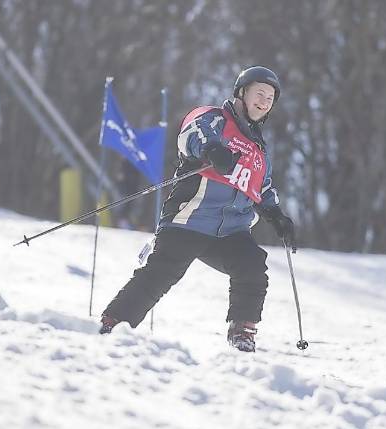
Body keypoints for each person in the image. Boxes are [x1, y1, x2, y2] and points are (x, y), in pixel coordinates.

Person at [99, 66, 295, 352]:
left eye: (270, 98)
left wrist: (276, 215)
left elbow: (262, 187)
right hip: (189, 219)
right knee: (163, 271)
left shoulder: (259, 150)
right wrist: (212, 150)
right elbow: (193, 131)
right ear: (242, 93)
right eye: (259, 93)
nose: (264, 102)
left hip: (231, 231)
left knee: (252, 265)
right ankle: (114, 322)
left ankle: (242, 331)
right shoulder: (215, 119)